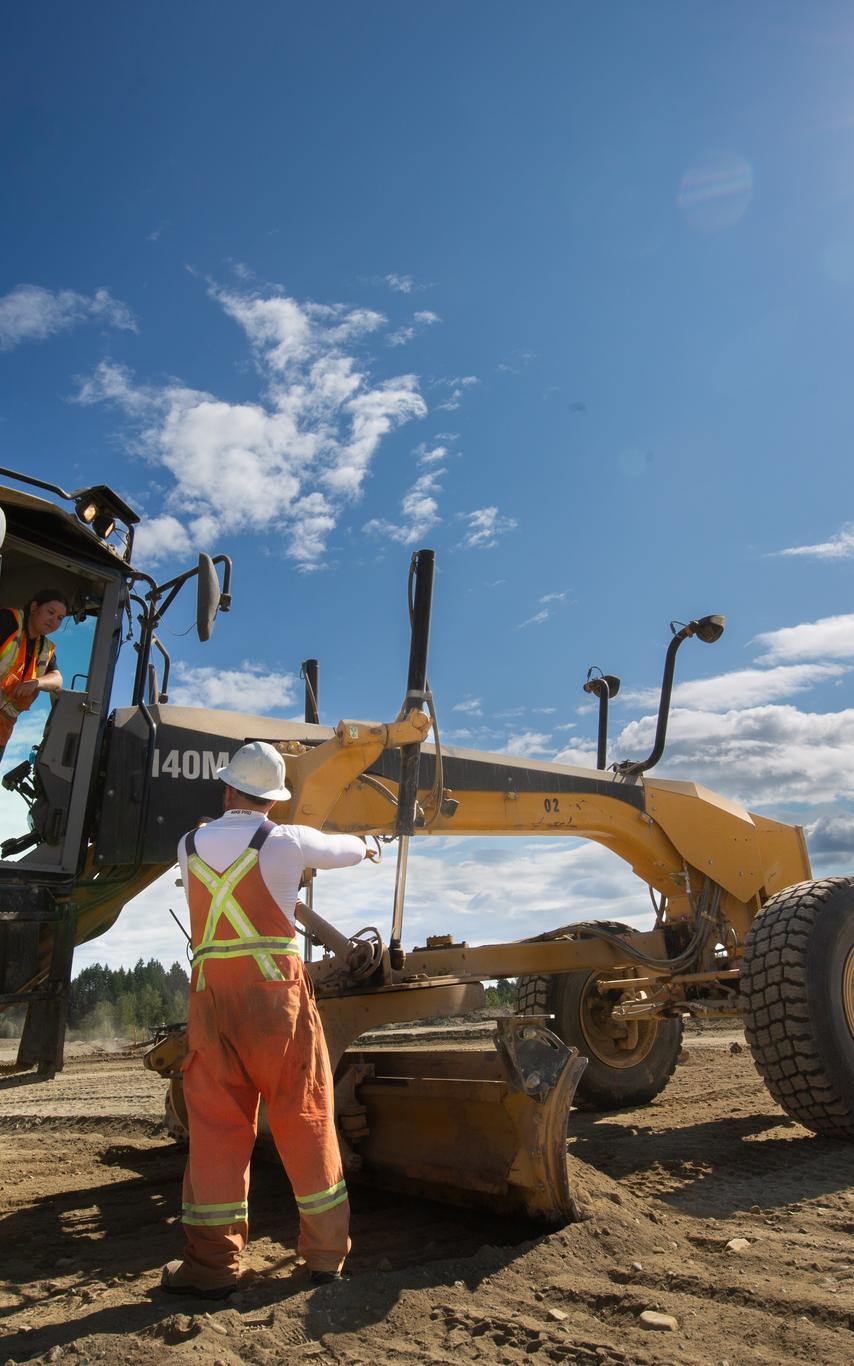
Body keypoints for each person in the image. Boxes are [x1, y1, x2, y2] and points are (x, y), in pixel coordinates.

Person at [161, 740, 376, 1300]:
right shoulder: (285, 840)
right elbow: (343, 851)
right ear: (273, 801)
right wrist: (370, 844)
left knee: (215, 1131)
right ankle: (326, 1257)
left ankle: (211, 1267)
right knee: (304, 1115)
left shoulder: (188, 846)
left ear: (229, 788)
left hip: (210, 1003)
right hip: (275, 1005)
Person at [0, 589, 67, 757]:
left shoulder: (46, 648)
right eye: (50, 612)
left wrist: (37, 682)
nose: (54, 621)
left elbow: (57, 679)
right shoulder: (8, 621)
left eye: (60, 618)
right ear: (35, 607)